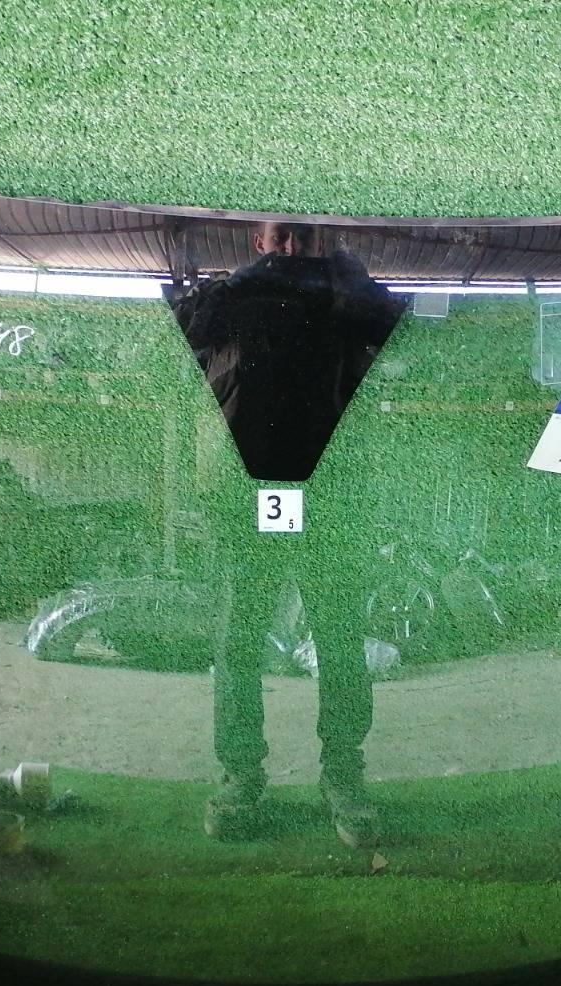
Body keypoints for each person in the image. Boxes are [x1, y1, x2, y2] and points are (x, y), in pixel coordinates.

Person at [170, 222, 406, 847]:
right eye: (280, 239)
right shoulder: (233, 297)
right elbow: (184, 334)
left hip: (329, 490)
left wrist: (347, 277)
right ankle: (241, 776)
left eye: (303, 238)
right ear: (259, 243)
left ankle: (344, 775)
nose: (291, 250)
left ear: (321, 240)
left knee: (338, 636)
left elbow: (394, 327)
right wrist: (242, 283)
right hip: (246, 492)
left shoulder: (343, 296)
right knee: (238, 637)